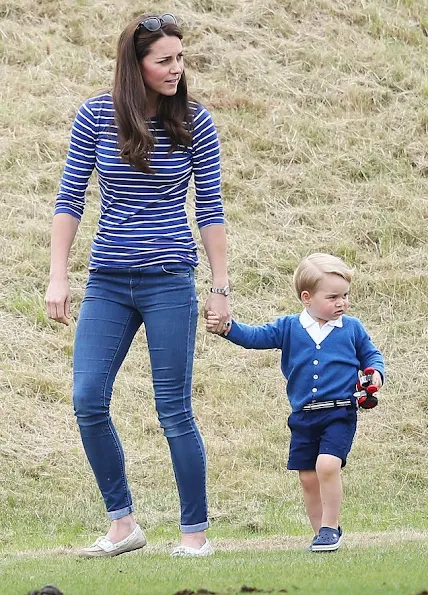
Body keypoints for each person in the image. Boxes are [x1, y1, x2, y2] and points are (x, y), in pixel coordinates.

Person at [45, 12, 232, 558]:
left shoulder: (196, 121)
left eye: (180, 58)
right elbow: (69, 199)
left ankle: (194, 535)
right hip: (107, 280)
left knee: (173, 409)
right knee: (87, 399)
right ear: (136, 64)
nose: (176, 68)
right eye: (164, 59)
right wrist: (59, 276)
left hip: (171, 279)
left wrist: (220, 286)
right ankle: (123, 524)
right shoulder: (96, 116)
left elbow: (212, 210)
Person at [206, 253, 384, 552]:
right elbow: (254, 336)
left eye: (345, 296)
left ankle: (329, 527)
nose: (342, 303)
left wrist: (375, 374)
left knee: (327, 465)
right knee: (307, 477)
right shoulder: (288, 327)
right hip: (302, 416)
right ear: (307, 297)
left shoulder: (352, 328)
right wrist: (227, 328)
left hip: (340, 411)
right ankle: (322, 533)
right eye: (333, 297)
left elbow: (372, 356)